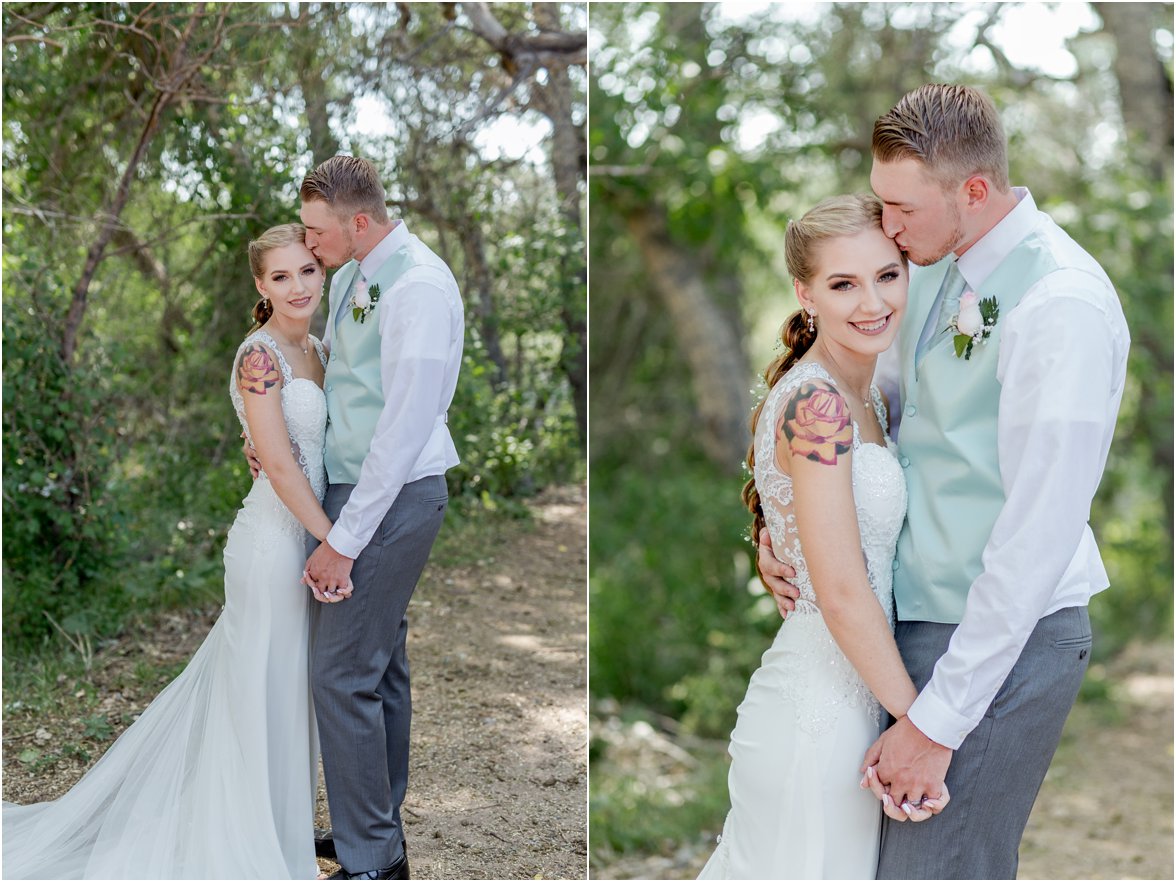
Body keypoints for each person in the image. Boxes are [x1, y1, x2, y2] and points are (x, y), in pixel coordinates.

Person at [758, 84, 1130, 879]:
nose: (886, 226)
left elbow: (1037, 537)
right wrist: (779, 526)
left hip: (1002, 642)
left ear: (973, 190)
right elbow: (861, 429)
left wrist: (936, 722)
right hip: (915, 633)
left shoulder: (1059, 303)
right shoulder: (926, 269)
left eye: (901, 208)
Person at [3, 224, 336, 878]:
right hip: (272, 547)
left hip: (312, 541)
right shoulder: (259, 357)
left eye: (306, 271)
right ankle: (242, 848)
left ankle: (282, 834)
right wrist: (336, 540)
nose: (297, 287)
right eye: (280, 276)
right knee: (258, 693)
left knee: (291, 694)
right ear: (259, 287)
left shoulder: (321, 349)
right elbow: (275, 461)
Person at [697, 194, 948, 880]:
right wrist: (925, 724)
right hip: (818, 718)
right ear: (806, 293)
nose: (872, 301)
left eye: (887, 274)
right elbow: (840, 591)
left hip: (855, 701)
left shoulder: (865, 392)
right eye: (843, 283)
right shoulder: (819, 401)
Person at [277, 154, 464, 882]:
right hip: (354, 486)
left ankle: (371, 864)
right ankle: (373, 831)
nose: (307, 243)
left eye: (316, 232)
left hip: (389, 496)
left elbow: (402, 429)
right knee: (380, 666)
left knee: (341, 673)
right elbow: (346, 369)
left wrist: (343, 541)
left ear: (358, 222)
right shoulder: (359, 266)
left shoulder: (417, 285)